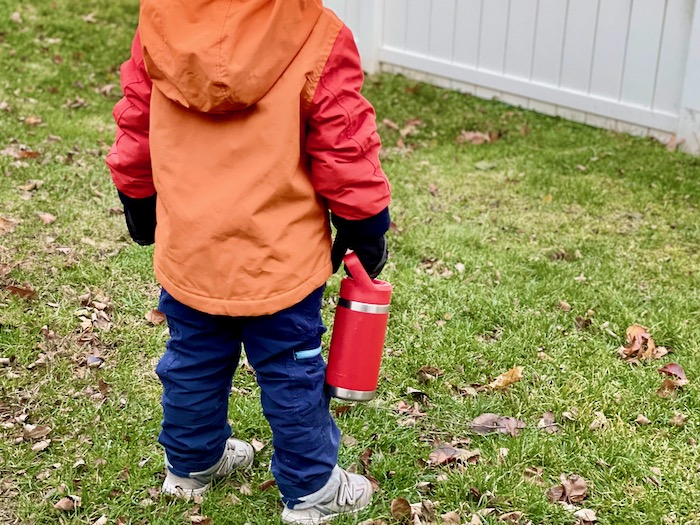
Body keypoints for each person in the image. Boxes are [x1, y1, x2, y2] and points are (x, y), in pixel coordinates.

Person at [106, 1, 391, 523]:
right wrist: (365, 224)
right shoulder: (317, 32)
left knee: (192, 357)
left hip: (193, 247)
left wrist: (136, 196)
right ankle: (311, 490)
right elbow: (343, 140)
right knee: (291, 369)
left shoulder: (162, 24)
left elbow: (137, 120)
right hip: (278, 256)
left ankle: (190, 466)